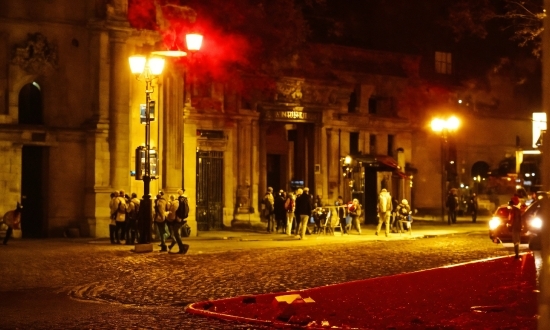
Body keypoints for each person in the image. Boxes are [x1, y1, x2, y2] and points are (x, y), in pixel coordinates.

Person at [169, 188, 190, 254]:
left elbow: (178, 209)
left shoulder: (180, 200)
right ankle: (182, 248)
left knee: (176, 233)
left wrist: (178, 216)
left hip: (179, 218)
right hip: (182, 218)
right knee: (177, 233)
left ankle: (183, 247)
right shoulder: (185, 199)